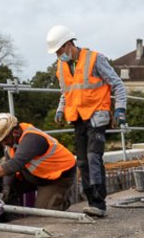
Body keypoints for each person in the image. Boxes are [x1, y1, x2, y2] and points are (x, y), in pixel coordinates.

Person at [45, 24, 128, 218]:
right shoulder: (61, 66)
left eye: (59, 51)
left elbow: (117, 84)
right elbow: (67, 91)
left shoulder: (95, 59)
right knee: (82, 162)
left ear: (68, 44)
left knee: (93, 157)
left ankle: (99, 203)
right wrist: (60, 108)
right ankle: (91, 201)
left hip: (97, 116)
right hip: (77, 118)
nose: (58, 55)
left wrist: (120, 109)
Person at [0, 113, 77, 212]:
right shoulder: (11, 142)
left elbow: (14, 165)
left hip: (58, 178)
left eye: (5, 139)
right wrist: (6, 187)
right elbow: (9, 165)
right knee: (6, 187)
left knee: (43, 214)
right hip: (37, 176)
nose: (3, 143)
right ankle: (14, 218)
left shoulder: (32, 139)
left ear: (15, 132)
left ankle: (63, 199)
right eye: (1, 141)